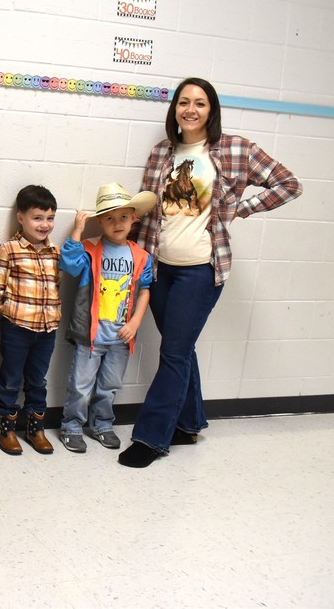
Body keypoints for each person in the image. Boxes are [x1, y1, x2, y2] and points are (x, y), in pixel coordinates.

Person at [119, 77, 302, 468]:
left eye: (199, 103)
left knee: (173, 351)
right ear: (175, 110)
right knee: (180, 348)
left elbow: (288, 184)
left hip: (200, 270)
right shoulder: (161, 153)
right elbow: (146, 211)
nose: (190, 109)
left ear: (211, 110)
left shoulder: (235, 149)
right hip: (160, 268)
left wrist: (242, 208)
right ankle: (188, 422)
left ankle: (151, 437)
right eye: (183, 102)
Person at [59, 183, 156, 453]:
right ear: (100, 222)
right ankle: (72, 426)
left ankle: (101, 424)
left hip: (121, 336)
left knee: (110, 385)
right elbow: (68, 265)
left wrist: (136, 322)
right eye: (110, 218)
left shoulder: (140, 256)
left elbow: (145, 290)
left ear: (134, 218)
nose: (117, 223)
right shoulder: (90, 249)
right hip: (91, 334)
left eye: (123, 217)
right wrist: (77, 232)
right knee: (80, 385)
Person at [0, 185, 60, 456]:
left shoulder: (55, 251)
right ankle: (6, 428)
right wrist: (8, 312)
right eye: (38, 217)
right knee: (10, 379)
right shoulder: (8, 250)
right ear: (21, 217)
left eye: (50, 218)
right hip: (17, 328)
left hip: (48, 328)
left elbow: (56, 285)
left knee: (38, 380)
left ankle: (35, 429)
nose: (45, 224)